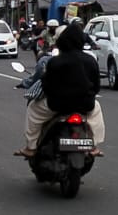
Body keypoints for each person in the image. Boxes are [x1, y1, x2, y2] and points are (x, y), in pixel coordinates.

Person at [18, 22, 106, 156]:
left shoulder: (54, 62)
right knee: (96, 112)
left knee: (33, 110)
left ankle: (31, 147)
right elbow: (96, 86)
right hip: (85, 105)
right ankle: (94, 146)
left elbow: (47, 85)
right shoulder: (90, 60)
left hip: (57, 105)